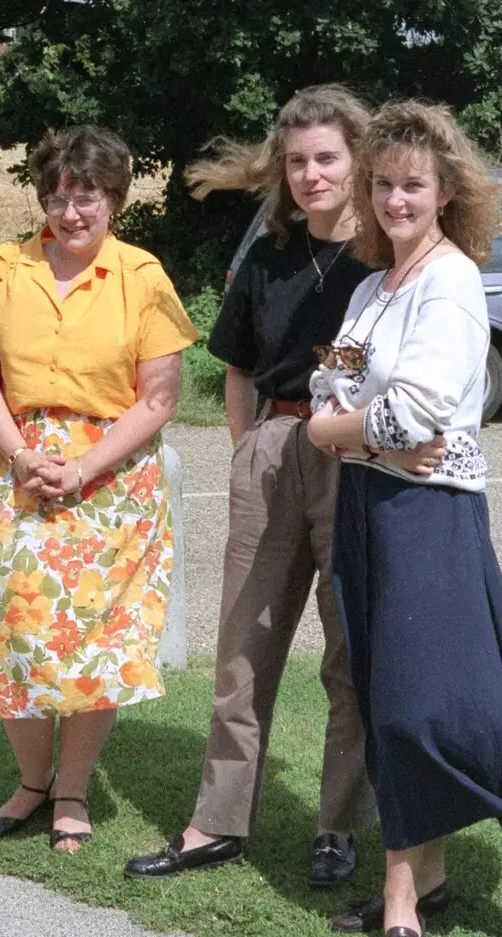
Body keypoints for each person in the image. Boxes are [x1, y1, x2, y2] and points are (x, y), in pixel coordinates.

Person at [306, 101, 502, 937]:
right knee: (387, 695)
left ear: (446, 193)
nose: (397, 200)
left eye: (414, 185)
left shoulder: (453, 279)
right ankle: (422, 883)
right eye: (385, 183)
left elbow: (417, 415)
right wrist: (351, 434)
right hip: (368, 509)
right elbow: (330, 398)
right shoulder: (368, 289)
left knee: (414, 707)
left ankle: (402, 901)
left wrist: (354, 433)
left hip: (428, 517)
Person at [126, 86, 379, 885]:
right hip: (274, 443)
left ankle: (337, 826)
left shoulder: (385, 250)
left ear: (357, 159)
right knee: (244, 648)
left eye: (327, 159)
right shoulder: (269, 251)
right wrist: (247, 450)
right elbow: (236, 364)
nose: (311, 175)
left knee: (350, 656)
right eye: (298, 161)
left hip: (358, 456)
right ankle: (218, 820)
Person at [0, 125, 197, 853]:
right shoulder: (4, 267)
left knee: (93, 642)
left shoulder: (142, 276)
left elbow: (159, 396)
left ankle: (71, 789)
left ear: (113, 198)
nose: (70, 212)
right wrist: (23, 454)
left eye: (85, 196)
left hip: (111, 478)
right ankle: (31, 782)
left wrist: (83, 467)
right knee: (19, 631)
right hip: (17, 468)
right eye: (56, 196)